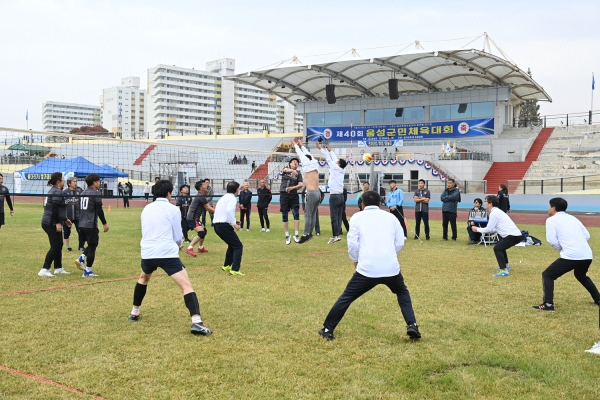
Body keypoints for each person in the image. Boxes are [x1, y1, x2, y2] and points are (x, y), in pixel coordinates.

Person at [318, 190, 421, 341]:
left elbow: (352, 243)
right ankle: (412, 325)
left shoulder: (357, 217)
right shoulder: (391, 217)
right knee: (402, 292)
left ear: (362, 204)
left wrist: (355, 260)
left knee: (347, 297)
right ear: (380, 204)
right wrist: (389, 255)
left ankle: (328, 329)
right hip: (391, 268)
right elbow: (400, 242)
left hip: (367, 269)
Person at [128, 179, 212, 335]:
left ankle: (134, 311)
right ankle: (196, 322)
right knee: (186, 286)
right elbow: (178, 235)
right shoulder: (173, 209)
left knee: (143, 279)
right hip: (166, 252)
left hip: (148, 252)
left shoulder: (146, 209)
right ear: (169, 193)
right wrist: (179, 245)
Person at [532, 197, 600, 311]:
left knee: (548, 275)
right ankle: (598, 299)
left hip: (572, 255)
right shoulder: (573, 218)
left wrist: (563, 249)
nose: (548, 209)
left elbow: (552, 240)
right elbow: (587, 235)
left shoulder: (551, 220)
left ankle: (548, 304)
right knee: (581, 275)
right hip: (587, 255)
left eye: (549, 206)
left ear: (553, 208)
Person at [472, 195, 523, 277]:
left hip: (513, 235)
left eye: (485, 201)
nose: (484, 203)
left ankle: (504, 270)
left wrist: (477, 229)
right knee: (500, 247)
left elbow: (489, 229)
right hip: (515, 235)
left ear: (490, 203)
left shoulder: (494, 213)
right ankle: (506, 265)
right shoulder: (496, 212)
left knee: (497, 248)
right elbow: (493, 229)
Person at [76, 173, 110, 277]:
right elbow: (99, 210)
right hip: (90, 224)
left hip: (81, 224)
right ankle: (87, 270)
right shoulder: (96, 193)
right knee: (92, 247)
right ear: (94, 182)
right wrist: (105, 223)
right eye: (98, 181)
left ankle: (82, 257)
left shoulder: (82, 193)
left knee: (92, 244)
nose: (100, 183)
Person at [39, 172, 72, 277]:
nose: (64, 181)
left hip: (52, 221)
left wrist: (65, 219)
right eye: (62, 179)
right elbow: (54, 208)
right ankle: (44, 269)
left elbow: (59, 209)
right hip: (50, 222)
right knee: (55, 246)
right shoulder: (57, 192)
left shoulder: (56, 191)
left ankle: (58, 268)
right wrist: (57, 222)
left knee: (59, 245)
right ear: (58, 181)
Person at [287, 138, 319, 244]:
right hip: (318, 193)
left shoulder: (306, 162)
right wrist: (301, 145)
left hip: (311, 193)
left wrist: (295, 145)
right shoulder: (314, 162)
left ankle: (305, 234)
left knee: (308, 215)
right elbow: (308, 154)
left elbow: (301, 154)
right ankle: (309, 233)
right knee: (313, 214)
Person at [213, 181, 245, 276]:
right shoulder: (232, 198)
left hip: (217, 225)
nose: (239, 190)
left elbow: (224, 213)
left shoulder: (223, 197)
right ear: (236, 189)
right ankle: (235, 269)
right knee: (238, 246)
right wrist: (234, 223)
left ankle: (227, 265)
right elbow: (229, 211)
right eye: (238, 188)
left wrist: (234, 221)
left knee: (232, 245)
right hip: (223, 226)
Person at [318, 141, 347, 244]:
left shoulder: (335, 168)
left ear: (338, 164)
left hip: (334, 196)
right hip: (341, 196)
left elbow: (328, 159)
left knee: (334, 216)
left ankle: (335, 236)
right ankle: (337, 234)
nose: (336, 161)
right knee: (339, 216)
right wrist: (331, 151)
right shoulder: (342, 169)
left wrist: (321, 149)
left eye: (337, 161)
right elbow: (334, 159)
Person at [185, 180, 215, 257]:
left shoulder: (201, 196)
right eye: (205, 185)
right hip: (192, 218)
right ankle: (189, 248)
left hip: (195, 218)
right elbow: (208, 208)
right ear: (201, 188)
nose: (207, 186)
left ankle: (200, 248)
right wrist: (219, 213)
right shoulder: (200, 196)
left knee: (204, 230)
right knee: (201, 233)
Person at [279, 155, 304, 245]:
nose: (295, 162)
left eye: (297, 162)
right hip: (284, 194)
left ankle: (296, 235)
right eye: (294, 161)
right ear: (290, 163)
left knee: (296, 213)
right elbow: (285, 170)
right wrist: (292, 170)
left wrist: (293, 187)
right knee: (284, 215)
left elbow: (301, 185)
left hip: (293, 195)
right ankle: (287, 235)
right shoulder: (286, 170)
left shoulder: (299, 173)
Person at [62, 177, 84, 252]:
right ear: (69, 183)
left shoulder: (79, 191)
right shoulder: (64, 192)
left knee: (81, 231)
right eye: (74, 181)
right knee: (67, 232)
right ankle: (68, 247)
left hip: (78, 216)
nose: (75, 183)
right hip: (67, 217)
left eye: (76, 181)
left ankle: (81, 246)